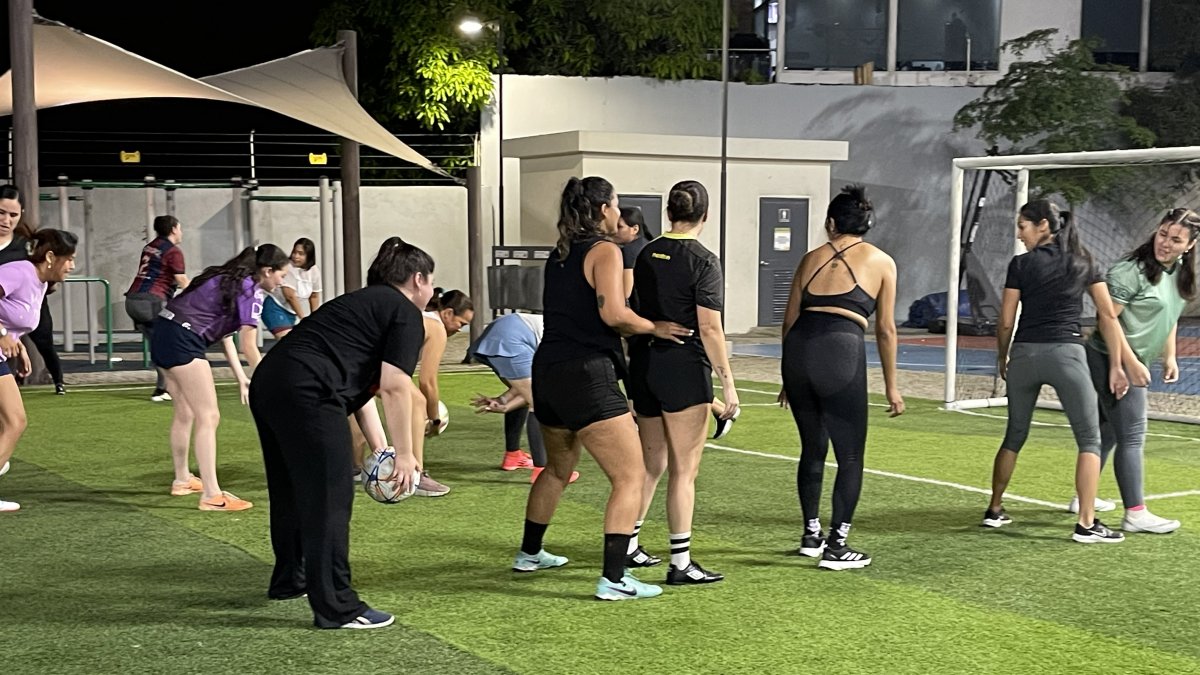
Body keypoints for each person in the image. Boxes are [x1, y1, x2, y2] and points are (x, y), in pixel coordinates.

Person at [511, 175, 690, 602]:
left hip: (548, 373)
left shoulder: (560, 252)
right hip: (585, 375)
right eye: (614, 204)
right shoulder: (605, 250)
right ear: (601, 209)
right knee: (631, 476)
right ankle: (614, 579)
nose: (617, 211)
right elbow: (614, 314)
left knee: (557, 469)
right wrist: (655, 327)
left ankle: (529, 553)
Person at [249, 237, 432, 630]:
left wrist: (383, 446)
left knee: (290, 488)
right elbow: (395, 386)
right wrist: (405, 454)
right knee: (330, 495)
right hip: (308, 390)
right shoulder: (404, 312)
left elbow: (358, 392)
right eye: (430, 282)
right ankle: (338, 606)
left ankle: (290, 579)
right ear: (418, 280)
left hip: (271, 381)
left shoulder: (362, 304)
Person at [984, 198, 1131, 544]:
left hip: (1023, 354)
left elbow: (1005, 321)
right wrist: (1117, 366)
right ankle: (1086, 523)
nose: (1019, 235)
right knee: (1089, 439)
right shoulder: (1083, 262)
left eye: (1022, 227)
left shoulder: (1019, 265)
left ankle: (994, 509)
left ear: (1043, 226)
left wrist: (1003, 358)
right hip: (1066, 355)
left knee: (1015, 434)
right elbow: (1107, 315)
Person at [779, 184, 904, 570]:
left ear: (831, 223)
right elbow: (885, 329)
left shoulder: (809, 258)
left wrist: (788, 376)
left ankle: (810, 534)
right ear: (867, 223)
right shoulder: (882, 261)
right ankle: (837, 546)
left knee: (812, 448)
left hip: (799, 352)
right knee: (850, 455)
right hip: (840, 353)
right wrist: (892, 386)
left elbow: (789, 319)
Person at [626, 180, 739, 585]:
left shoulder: (644, 254)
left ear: (669, 213)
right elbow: (710, 328)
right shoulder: (704, 260)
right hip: (683, 369)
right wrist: (727, 384)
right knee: (684, 471)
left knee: (651, 464)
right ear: (705, 216)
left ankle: (627, 545)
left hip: (644, 364)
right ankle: (680, 563)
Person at [1078, 208, 1198, 534]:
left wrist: (1169, 356)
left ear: (1189, 246)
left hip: (1131, 360)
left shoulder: (1177, 273)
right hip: (1107, 357)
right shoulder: (1129, 271)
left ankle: (1083, 498)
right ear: (1155, 231)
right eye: (1163, 234)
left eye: (1176, 240)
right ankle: (1135, 512)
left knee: (1110, 431)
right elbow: (1107, 319)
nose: (1166, 244)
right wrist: (1125, 364)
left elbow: (1169, 316)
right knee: (1132, 436)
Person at [151, 244, 290, 511]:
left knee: (186, 413)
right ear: (267, 270)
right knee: (209, 416)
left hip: (163, 333)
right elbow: (248, 345)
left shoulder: (229, 279)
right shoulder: (250, 289)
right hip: (184, 339)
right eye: (282, 275)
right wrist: (268, 381)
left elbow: (226, 337)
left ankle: (182, 480)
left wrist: (242, 378)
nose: (282, 282)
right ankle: (212, 496)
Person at [0, 227, 78, 511]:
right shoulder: (20, 271)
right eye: (69, 259)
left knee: (13, 422)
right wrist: (1, 334)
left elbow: (13, 317)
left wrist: (17, 344)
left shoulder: (41, 283)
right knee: (14, 421)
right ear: (50, 257)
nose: (73, 266)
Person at [468, 312, 580, 484]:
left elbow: (523, 387)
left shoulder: (569, 333)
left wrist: (504, 401)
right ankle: (542, 471)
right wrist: (506, 405)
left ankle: (512, 456)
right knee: (540, 403)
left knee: (533, 394)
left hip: (496, 334)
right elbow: (539, 389)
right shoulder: (572, 348)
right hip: (511, 339)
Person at [411, 289, 473, 497]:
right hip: (367, 363)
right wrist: (434, 419)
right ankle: (415, 475)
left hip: (354, 360)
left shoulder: (421, 318)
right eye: (461, 324)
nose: (460, 330)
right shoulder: (436, 327)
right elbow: (427, 381)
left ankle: (356, 468)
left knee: (361, 406)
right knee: (417, 402)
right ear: (447, 314)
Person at [126, 215, 189, 402]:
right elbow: (182, 281)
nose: (181, 231)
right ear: (174, 229)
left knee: (158, 345)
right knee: (169, 344)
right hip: (151, 301)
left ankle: (163, 388)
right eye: (180, 227)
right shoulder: (173, 252)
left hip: (133, 300)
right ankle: (169, 387)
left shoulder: (150, 246)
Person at [261, 237, 322, 339]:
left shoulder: (314, 271)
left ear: (309, 256)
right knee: (285, 340)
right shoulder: (288, 267)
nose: (296, 256)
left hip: (291, 313)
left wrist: (314, 318)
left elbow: (314, 296)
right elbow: (290, 296)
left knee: (293, 342)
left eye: (301, 254)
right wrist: (303, 318)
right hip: (276, 307)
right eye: (294, 252)